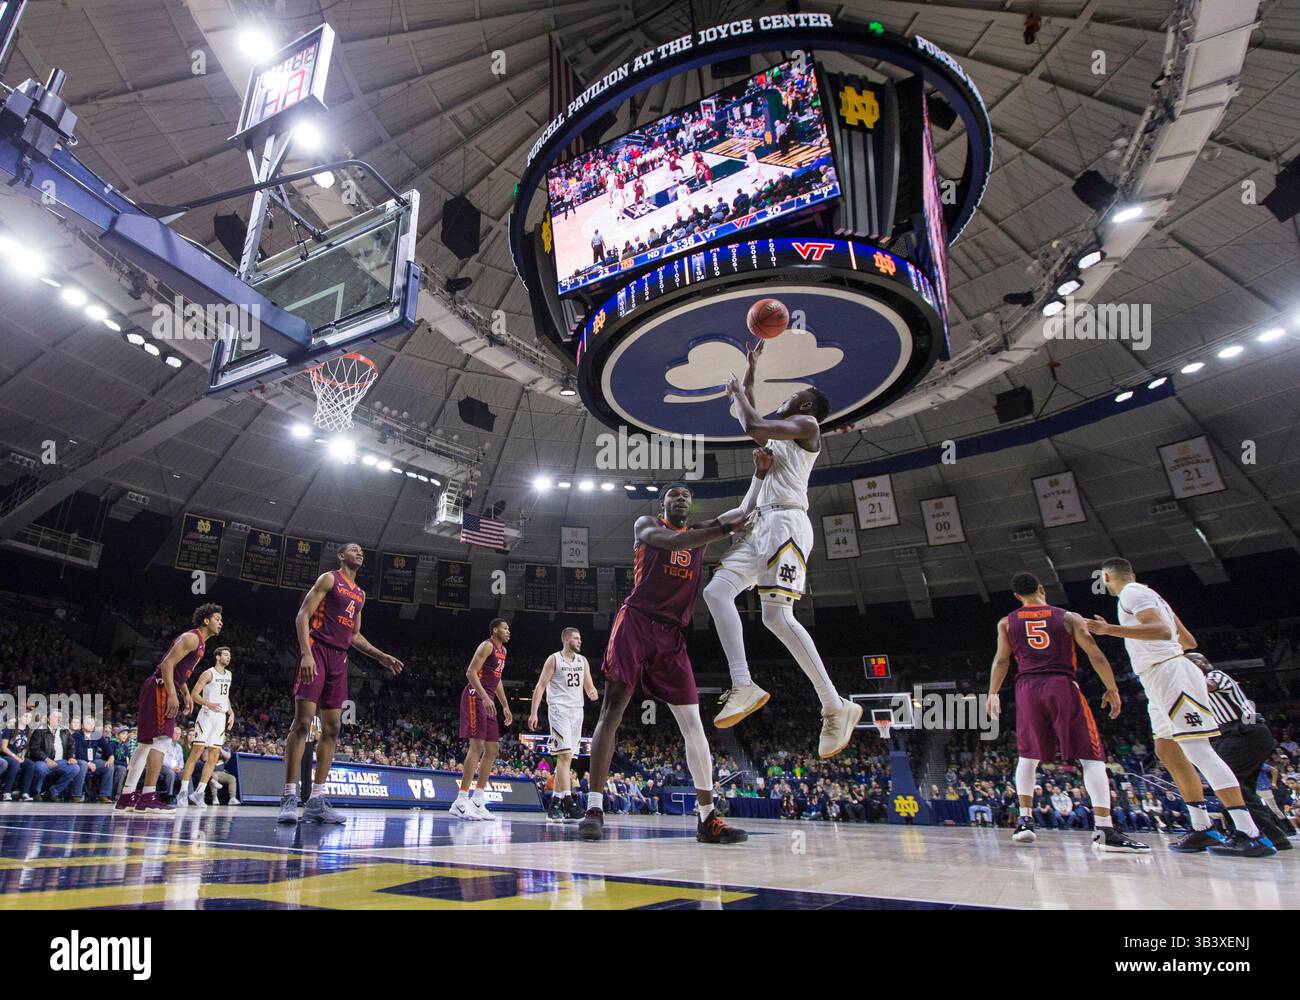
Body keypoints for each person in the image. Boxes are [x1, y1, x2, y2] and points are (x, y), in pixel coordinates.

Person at [578, 482, 754, 845]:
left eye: (687, 495)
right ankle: (594, 808)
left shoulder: (700, 532)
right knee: (612, 710)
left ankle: (708, 817)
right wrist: (724, 529)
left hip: (671, 634)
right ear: (663, 503)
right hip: (635, 622)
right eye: (674, 494)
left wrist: (762, 476)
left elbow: (744, 510)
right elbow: (675, 542)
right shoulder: (647, 525)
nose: (681, 498)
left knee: (693, 723)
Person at [709, 340, 862, 757]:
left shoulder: (808, 426)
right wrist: (750, 368)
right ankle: (742, 684)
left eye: (795, 394)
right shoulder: (781, 435)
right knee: (716, 592)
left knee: (776, 616)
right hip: (760, 522)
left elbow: (752, 423)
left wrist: (738, 392)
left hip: (787, 524)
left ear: (806, 406)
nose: (788, 397)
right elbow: (752, 412)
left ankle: (835, 705)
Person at [1086, 558, 1274, 857]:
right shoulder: (1153, 596)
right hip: (1158, 675)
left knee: (1199, 751)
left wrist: (1109, 629)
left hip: (1170, 673)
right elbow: (1188, 640)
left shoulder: (1132, 593)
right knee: (1167, 750)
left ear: (1107, 577)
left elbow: (1161, 630)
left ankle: (1250, 833)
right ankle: (1202, 827)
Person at [988, 573, 1148, 853]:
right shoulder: (1068, 617)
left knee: (1027, 756)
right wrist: (1112, 688)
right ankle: (1104, 829)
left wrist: (992, 693)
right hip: (1061, 683)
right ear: (1042, 589)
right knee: (1092, 757)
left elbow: (1002, 660)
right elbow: (1095, 653)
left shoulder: (1006, 622)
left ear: (1016, 596)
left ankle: (1025, 821)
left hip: (1027, 688)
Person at [278, 543, 403, 825]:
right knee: (303, 723)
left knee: (333, 728)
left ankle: (316, 801)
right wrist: (306, 653)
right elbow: (302, 615)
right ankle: (289, 796)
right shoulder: (329, 579)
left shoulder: (360, 594)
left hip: (339, 658)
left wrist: (380, 656)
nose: (360, 553)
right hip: (317, 649)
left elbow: (354, 635)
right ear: (341, 555)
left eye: (362, 552)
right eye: (354, 550)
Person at [116, 603, 223, 814]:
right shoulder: (192, 638)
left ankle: (126, 797)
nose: (221, 623)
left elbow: (178, 671)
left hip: (160, 686)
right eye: (217, 619)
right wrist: (173, 694)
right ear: (206, 620)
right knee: (162, 740)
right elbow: (167, 664)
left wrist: (185, 693)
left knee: (145, 743)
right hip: (160, 687)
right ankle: (147, 797)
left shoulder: (200, 643)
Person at [1188, 652, 1293, 850]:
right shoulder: (1198, 694)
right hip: (1239, 735)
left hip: (1244, 733)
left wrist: (1179, 678)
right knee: (1241, 788)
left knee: (1227, 783)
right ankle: (1270, 836)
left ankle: (1255, 834)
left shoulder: (1216, 676)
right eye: (1195, 662)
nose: (1201, 663)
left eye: (1201, 661)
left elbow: (1209, 686)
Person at [528, 627, 597, 821]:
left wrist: (592, 692)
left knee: (566, 761)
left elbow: (589, 686)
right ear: (566, 640)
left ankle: (554, 805)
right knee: (565, 755)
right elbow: (541, 686)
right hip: (559, 710)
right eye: (576, 638)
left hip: (577, 712)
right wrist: (534, 712)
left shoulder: (582, 661)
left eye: (580, 638)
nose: (580, 641)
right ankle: (569, 802)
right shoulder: (554, 659)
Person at [449, 619, 513, 821]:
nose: (508, 631)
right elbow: (470, 672)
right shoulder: (487, 646)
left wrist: (505, 706)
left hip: (488, 698)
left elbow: (497, 680)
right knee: (477, 746)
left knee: (493, 749)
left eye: (508, 629)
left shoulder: (503, 651)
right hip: (475, 696)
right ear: (495, 630)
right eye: (504, 628)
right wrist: (485, 697)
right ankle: (460, 800)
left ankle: (477, 799)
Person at [180, 646, 235, 807]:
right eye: (226, 654)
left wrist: (231, 712)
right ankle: (183, 792)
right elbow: (194, 694)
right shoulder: (208, 673)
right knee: (196, 752)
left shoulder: (229, 675)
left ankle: (199, 792)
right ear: (217, 657)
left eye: (229, 655)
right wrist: (208, 703)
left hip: (220, 717)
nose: (228, 657)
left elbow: (225, 696)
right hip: (207, 715)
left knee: (214, 755)